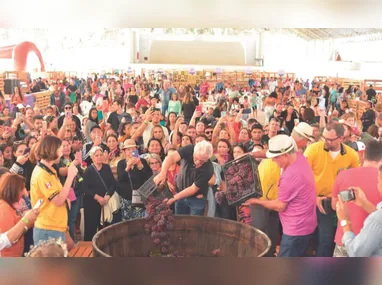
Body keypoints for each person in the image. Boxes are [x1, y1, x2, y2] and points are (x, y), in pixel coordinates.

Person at [245, 135, 317, 257]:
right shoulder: (299, 156)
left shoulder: (290, 176)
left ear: (286, 155)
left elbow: (280, 206)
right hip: (306, 223)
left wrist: (255, 201)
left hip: (295, 230)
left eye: (275, 158)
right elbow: (268, 153)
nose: (272, 160)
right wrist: (252, 155)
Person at [304, 121, 360, 257]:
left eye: (330, 139)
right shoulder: (313, 149)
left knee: (329, 240)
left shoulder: (351, 155)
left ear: (341, 138)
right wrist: (313, 197)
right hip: (315, 199)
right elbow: (302, 177)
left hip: (337, 202)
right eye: (324, 138)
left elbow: (355, 179)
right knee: (322, 239)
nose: (326, 141)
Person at [331, 140, 382, 257]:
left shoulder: (343, 174)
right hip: (374, 243)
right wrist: (365, 204)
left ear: (364, 155)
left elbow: (334, 206)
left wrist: (344, 220)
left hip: (346, 239)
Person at [30, 136, 78, 244]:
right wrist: (70, 177)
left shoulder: (50, 170)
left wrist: (66, 199)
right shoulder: (42, 174)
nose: (61, 154)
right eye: (60, 150)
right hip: (47, 229)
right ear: (52, 151)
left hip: (56, 226)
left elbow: (58, 194)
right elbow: (58, 200)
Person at [154, 140, 214, 216]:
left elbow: (193, 189)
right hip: (179, 192)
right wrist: (163, 173)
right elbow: (171, 158)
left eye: (202, 161)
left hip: (196, 198)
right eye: (196, 158)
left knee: (194, 224)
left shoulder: (208, 169)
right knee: (179, 221)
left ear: (208, 158)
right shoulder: (189, 149)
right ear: (194, 152)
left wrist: (174, 198)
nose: (198, 162)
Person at [82, 147, 116, 241]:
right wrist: (98, 198)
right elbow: (85, 188)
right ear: (92, 157)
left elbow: (112, 184)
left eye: (101, 155)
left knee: (105, 227)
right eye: (96, 155)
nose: (99, 157)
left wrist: (107, 196)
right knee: (91, 228)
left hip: (105, 202)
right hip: (91, 203)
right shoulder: (88, 170)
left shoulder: (106, 168)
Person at [116, 139, 152, 221]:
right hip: (126, 197)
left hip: (140, 197)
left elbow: (148, 177)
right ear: (124, 152)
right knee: (127, 221)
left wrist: (140, 165)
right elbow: (121, 178)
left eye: (133, 149)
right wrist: (127, 167)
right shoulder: (121, 163)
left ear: (136, 150)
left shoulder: (143, 161)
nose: (131, 151)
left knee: (140, 221)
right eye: (128, 150)